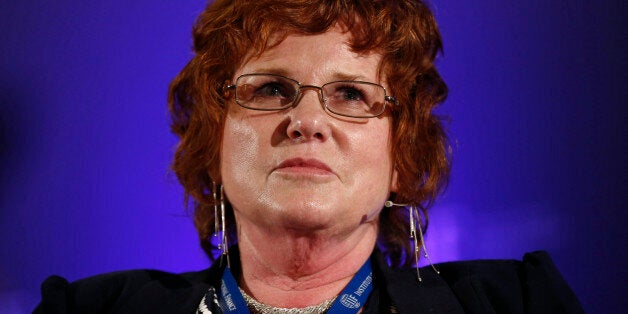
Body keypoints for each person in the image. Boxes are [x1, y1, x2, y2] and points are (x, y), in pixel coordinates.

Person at [35, 0, 584, 313]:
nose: (307, 121)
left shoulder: (514, 305)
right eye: (271, 88)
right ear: (214, 142)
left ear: (400, 155)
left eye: (350, 94)